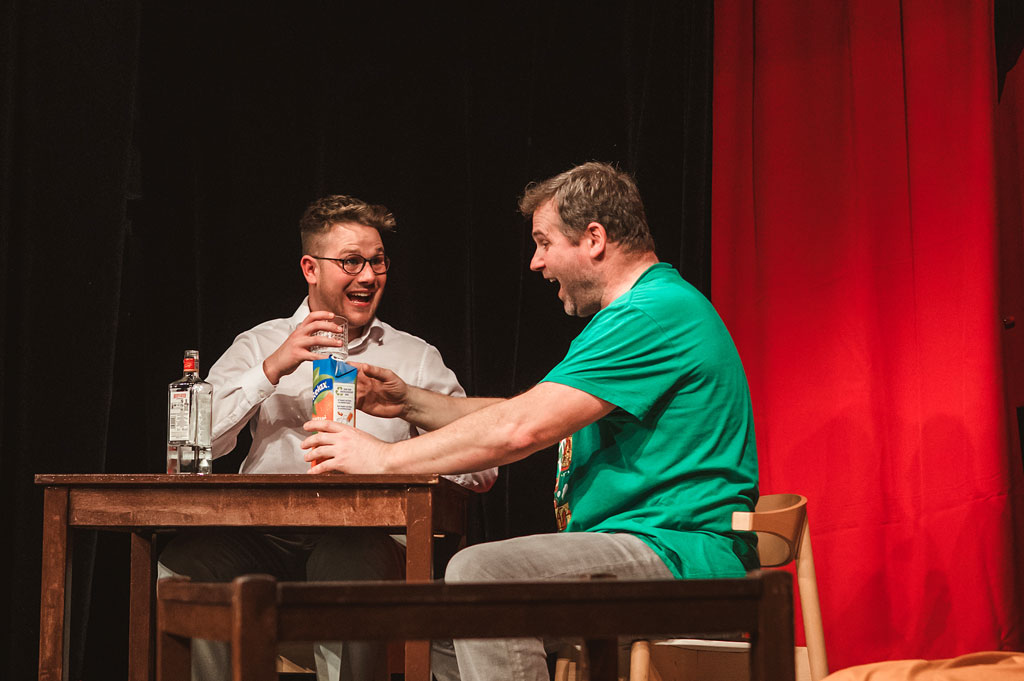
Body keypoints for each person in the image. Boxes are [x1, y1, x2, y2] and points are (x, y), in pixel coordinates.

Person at [301, 162, 760, 681]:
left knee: (481, 575)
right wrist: (408, 403)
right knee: (432, 625)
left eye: (544, 243)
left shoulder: (649, 314)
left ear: (594, 239)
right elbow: (523, 410)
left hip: (680, 556)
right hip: (648, 549)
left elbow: (523, 428)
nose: (536, 262)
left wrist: (382, 458)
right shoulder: (641, 311)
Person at [158, 195, 497, 681]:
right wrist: (271, 370)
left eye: (378, 261)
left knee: (349, 561)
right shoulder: (259, 343)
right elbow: (196, 444)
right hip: (262, 535)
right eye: (351, 262)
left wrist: (392, 453)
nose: (368, 276)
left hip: (364, 536)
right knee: (184, 566)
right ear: (310, 269)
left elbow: (481, 468)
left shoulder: (414, 357)